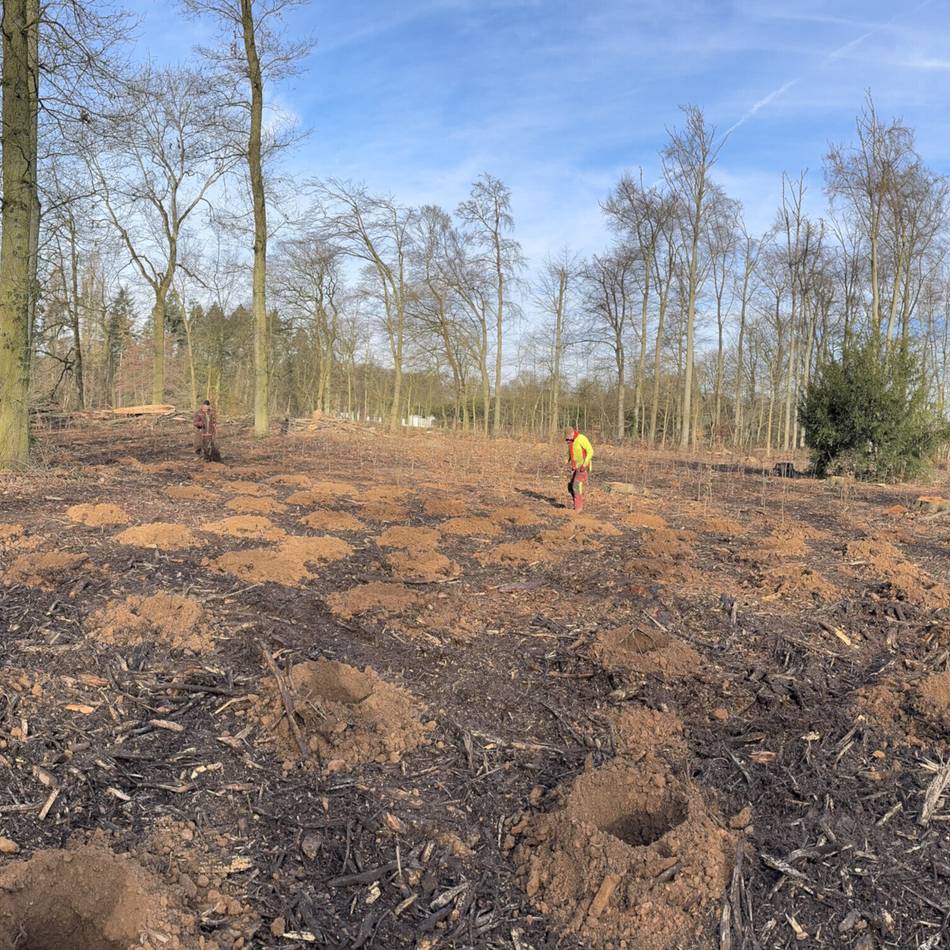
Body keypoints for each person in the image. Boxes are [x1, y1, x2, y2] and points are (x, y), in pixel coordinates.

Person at [565, 427, 594, 511]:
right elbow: (570, 453)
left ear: (572, 433)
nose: (567, 439)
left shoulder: (581, 438)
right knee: (570, 487)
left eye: (568, 436)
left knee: (576, 486)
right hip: (576, 467)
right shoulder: (570, 441)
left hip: (583, 466)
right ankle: (576, 504)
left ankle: (578, 509)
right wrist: (566, 460)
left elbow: (591, 451)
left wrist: (584, 465)